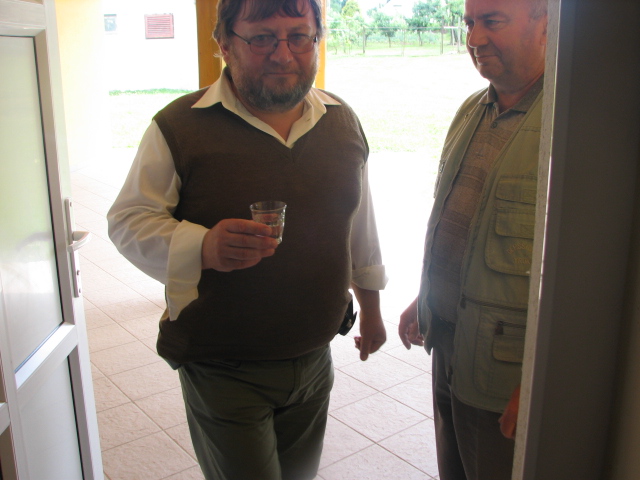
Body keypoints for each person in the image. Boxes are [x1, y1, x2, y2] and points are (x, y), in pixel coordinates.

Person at [107, 0, 387, 478]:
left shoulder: (341, 121)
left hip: (314, 355)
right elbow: (128, 220)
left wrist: (373, 310)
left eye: (299, 36)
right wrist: (203, 246)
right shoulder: (179, 126)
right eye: (262, 38)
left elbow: (359, 224)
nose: (283, 54)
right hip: (223, 365)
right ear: (224, 43)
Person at [398, 0, 548, 478]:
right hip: (448, 342)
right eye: (469, 22)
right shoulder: (472, 109)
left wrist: (540, 380)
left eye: (492, 21)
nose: (475, 38)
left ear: (546, 20)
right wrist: (427, 295)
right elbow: (461, 224)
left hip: (506, 372)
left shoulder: (568, 124)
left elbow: (586, 277)